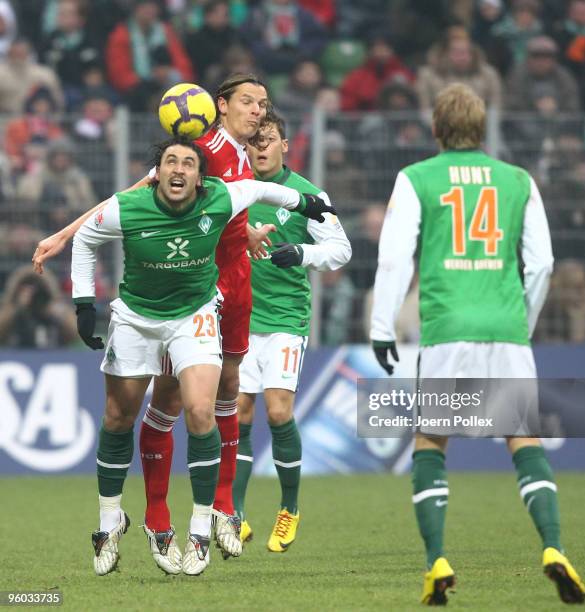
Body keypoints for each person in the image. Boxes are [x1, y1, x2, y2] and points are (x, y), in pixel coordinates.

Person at [32, 73, 282, 571]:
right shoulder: (201, 145)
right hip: (190, 287)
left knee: (228, 388)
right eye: (250, 102)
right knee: (174, 401)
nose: (259, 112)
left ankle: (225, 510)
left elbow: (225, 205)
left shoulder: (240, 153)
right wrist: (64, 234)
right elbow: (133, 196)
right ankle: (159, 514)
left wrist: (247, 230)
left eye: (264, 104)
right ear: (219, 106)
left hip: (235, 274)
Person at [71, 136, 335, 576]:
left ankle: (198, 531)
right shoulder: (128, 206)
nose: (179, 170)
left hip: (193, 316)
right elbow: (84, 238)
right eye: (170, 162)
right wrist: (83, 302)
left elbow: (262, 189)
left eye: (188, 164)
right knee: (118, 416)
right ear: (157, 173)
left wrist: (307, 202)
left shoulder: (218, 197)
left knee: (200, 411)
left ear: (199, 177)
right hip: (136, 317)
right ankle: (108, 521)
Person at [369, 84, 585, 606]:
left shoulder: (417, 177)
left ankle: (437, 560)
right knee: (522, 439)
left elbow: (395, 258)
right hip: (506, 326)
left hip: (448, 327)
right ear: (483, 128)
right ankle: (554, 547)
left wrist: (382, 326)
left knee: (431, 442)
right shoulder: (518, 180)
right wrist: (523, 321)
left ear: (437, 128)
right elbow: (543, 264)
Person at [233, 112, 351, 550]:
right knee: (239, 413)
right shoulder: (236, 190)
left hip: (285, 319)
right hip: (241, 317)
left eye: (270, 139)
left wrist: (300, 253)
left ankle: (289, 508)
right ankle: (236, 514)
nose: (261, 146)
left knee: (278, 412)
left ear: (285, 145)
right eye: (254, 140)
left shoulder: (307, 194)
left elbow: (341, 249)